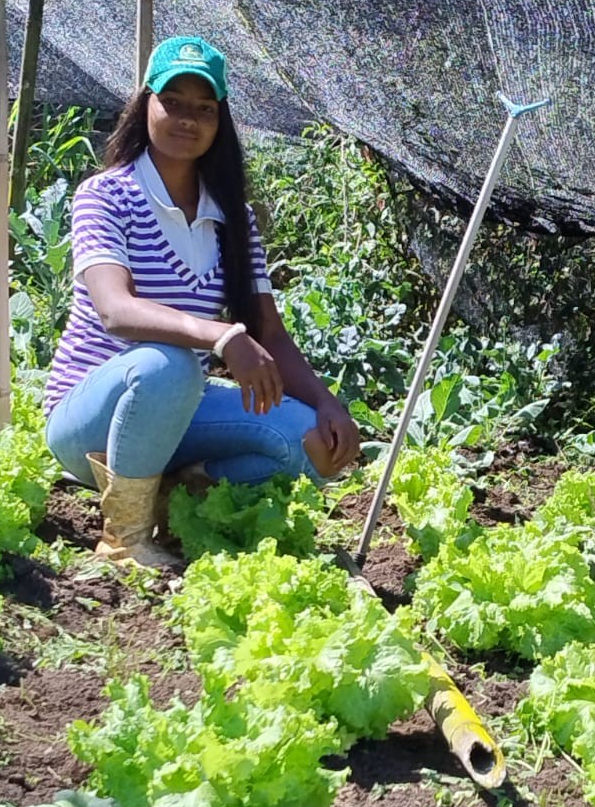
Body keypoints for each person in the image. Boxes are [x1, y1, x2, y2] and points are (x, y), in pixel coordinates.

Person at [43, 35, 361, 567]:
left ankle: (179, 491)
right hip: (91, 418)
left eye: (204, 109)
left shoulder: (233, 217)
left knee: (312, 447)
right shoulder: (106, 196)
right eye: (173, 102)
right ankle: (125, 535)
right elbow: (115, 311)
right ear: (145, 103)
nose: (187, 118)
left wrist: (329, 404)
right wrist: (219, 334)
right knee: (166, 364)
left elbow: (268, 332)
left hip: (175, 407)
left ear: (220, 122)